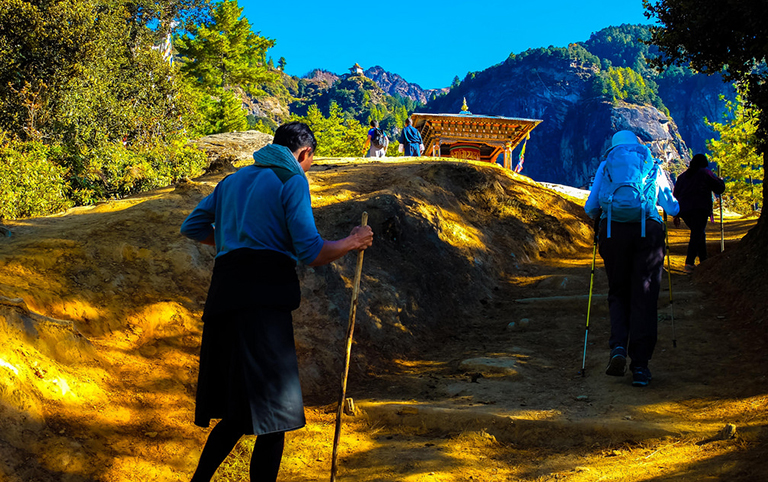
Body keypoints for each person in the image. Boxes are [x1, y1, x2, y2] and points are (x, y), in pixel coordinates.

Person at [180, 122, 374, 482]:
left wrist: (231, 241)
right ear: (304, 154)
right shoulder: (291, 180)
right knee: (276, 416)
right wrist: (352, 241)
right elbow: (311, 251)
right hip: (263, 301)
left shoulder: (232, 182)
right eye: (310, 163)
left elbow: (191, 227)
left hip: (224, 297)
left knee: (238, 413)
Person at [584, 130, 679, 387]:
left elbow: (591, 207)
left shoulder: (606, 165)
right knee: (645, 295)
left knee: (618, 292)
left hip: (614, 232)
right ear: (637, 146)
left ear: (613, 147)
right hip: (648, 231)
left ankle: (617, 348)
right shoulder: (651, 164)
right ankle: (640, 366)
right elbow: (671, 206)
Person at [672, 153, 726, 273]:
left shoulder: (682, 177)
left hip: (684, 210)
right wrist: (721, 181)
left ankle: (704, 261)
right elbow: (719, 188)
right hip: (700, 208)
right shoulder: (705, 173)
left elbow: (675, 195)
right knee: (697, 234)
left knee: (699, 233)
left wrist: (676, 214)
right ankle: (689, 263)